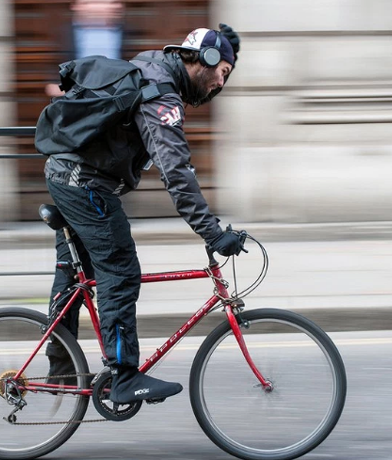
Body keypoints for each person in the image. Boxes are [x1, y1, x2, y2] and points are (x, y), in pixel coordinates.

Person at [45, 24, 243, 404]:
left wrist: (225, 47)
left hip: (68, 174)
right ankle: (123, 376)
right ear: (205, 59)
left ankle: (60, 371)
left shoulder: (155, 66)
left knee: (76, 276)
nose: (221, 84)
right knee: (119, 269)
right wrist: (213, 233)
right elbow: (177, 172)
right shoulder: (160, 94)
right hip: (82, 182)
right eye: (223, 72)